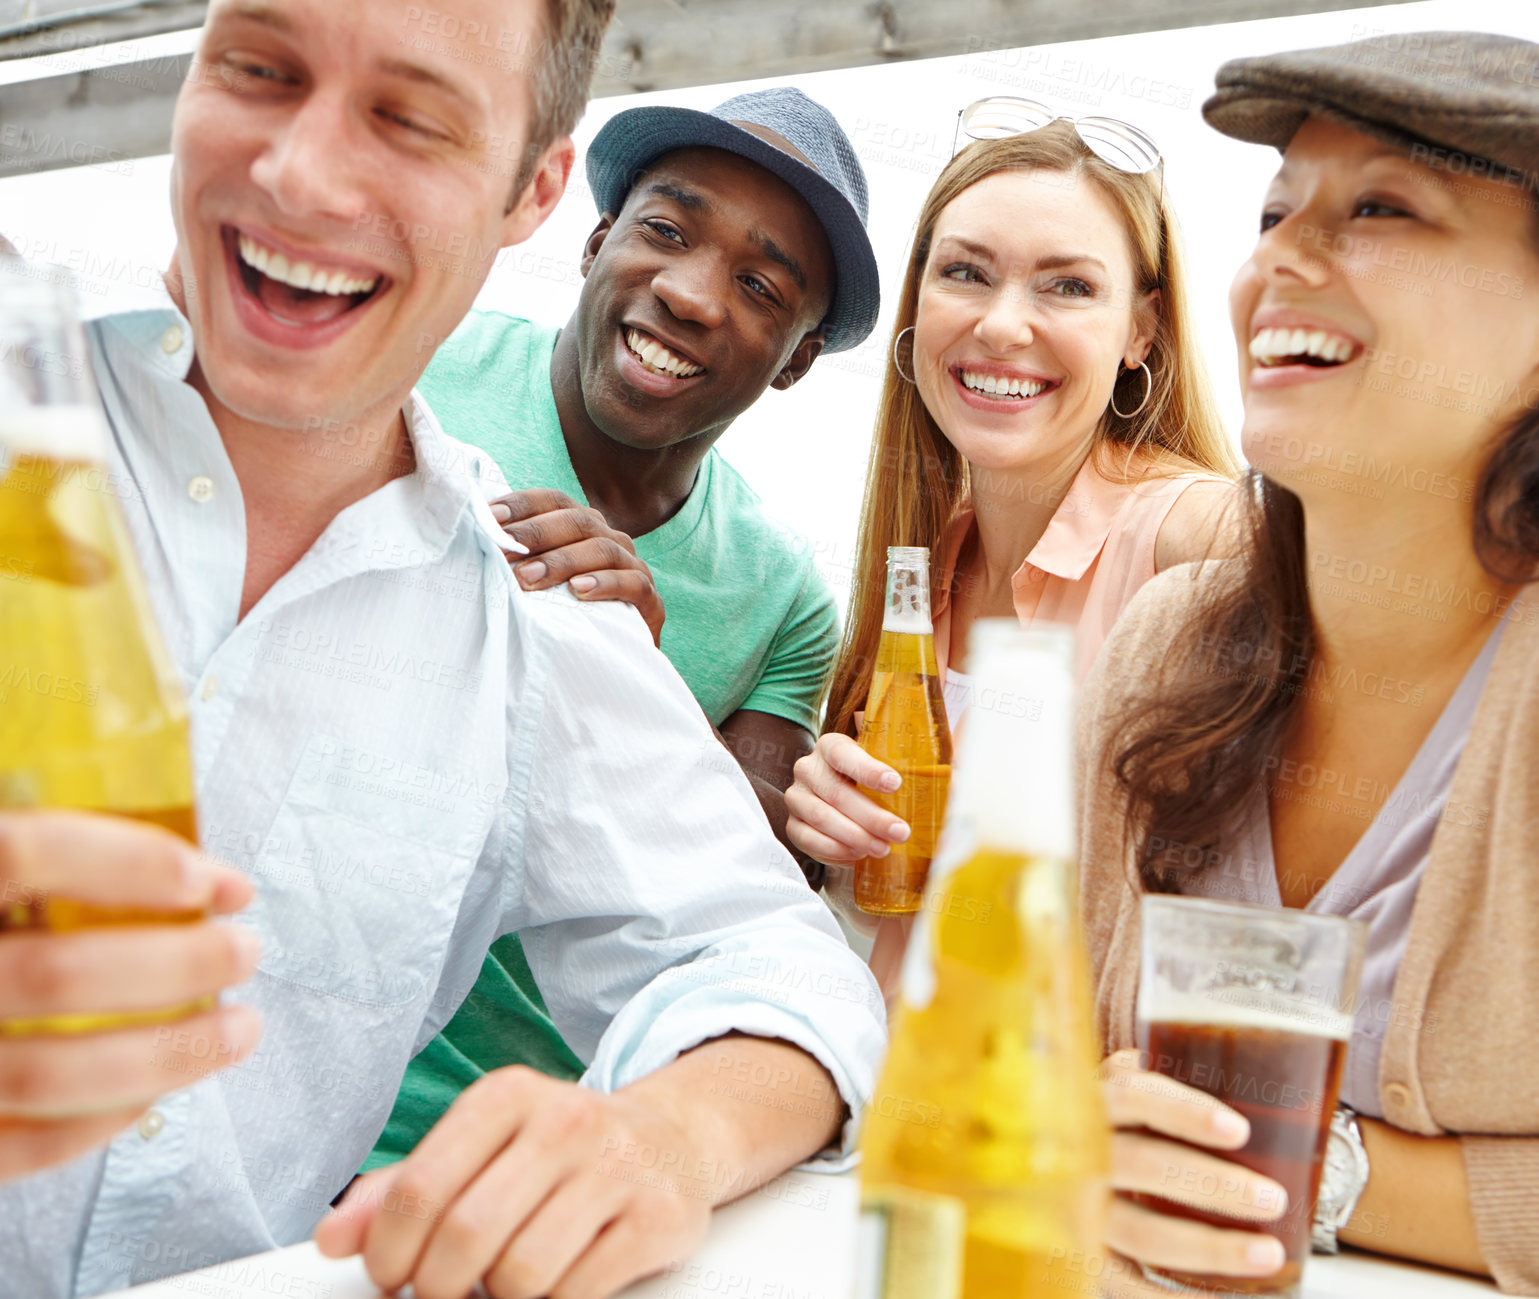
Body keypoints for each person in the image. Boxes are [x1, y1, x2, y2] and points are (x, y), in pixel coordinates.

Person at [0, 4, 885, 1299]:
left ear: (530, 188)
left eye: (409, 116)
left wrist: (658, 1133)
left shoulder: (532, 615)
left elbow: (779, 958)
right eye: (259, 67)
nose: (300, 172)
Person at [1078, 31, 1539, 1295]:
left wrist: (1324, 1173)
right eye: (1274, 210)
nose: (1274, 260)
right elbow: (1049, 1058)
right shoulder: (1165, 647)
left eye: (1381, 207)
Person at [364, 86, 878, 1172]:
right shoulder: (409, 375)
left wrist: (629, 675)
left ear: (795, 358)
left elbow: (741, 902)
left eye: (758, 284)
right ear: (597, 242)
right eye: (664, 231)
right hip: (290, 1119)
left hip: (556, 1155)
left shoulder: (784, 599)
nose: (689, 294)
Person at [781, 112, 1239, 990]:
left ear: (1142, 330)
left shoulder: (1183, 529)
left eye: (1066, 287)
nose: (1000, 325)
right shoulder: (927, 564)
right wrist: (827, 820)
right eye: (965, 272)